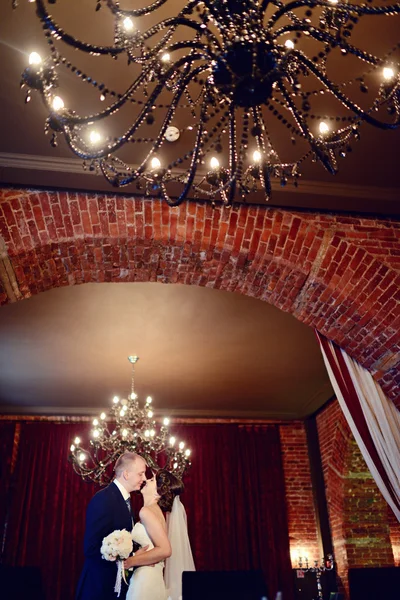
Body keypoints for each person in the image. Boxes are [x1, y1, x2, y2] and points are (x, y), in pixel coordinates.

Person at [76, 452, 148, 600]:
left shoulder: (126, 500)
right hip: (99, 588)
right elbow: (91, 548)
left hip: (116, 587)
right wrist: (132, 557)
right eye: (141, 474)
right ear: (126, 474)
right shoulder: (104, 499)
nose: (144, 479)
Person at [125, 469, 195, 600]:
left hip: (145, 580)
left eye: (152, 480)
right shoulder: (157, 512)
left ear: (158, 493)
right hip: (153, 577)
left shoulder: (146, 511)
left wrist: (130, 562)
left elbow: (165, 550)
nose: (146, 480)